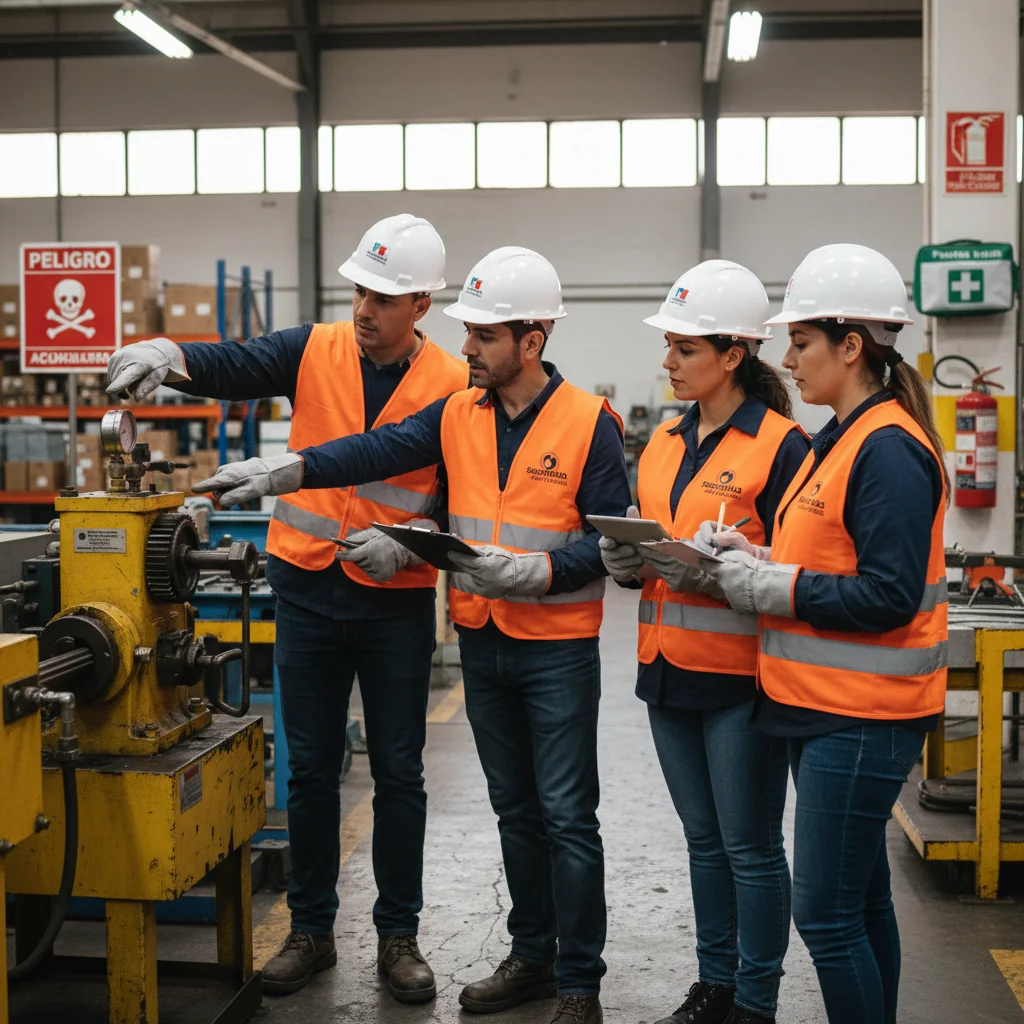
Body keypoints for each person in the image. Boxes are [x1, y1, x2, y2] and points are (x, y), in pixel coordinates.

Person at [194, 246, 633, 1024]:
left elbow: (609, 544)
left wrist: (535, 574)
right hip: (483, 638)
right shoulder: (459, 413)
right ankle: (531, 957)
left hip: (555, 645)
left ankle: (579, 983)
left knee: (565, 814)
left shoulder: (589, 422)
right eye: (467, 333)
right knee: (515, 811)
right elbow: (375, 451)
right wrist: (285, 471)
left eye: (485, 337)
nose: (467, 349)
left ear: (531, 341)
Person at [105, 214, 470, 1002]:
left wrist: (415, 544)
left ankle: (398, 937)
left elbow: (464, 497)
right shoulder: (316, 348)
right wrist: (169, 356)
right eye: (359, 291)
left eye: (383, 297)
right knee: (308, 770)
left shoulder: (451, 381)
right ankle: (310, 931)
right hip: (306, 586)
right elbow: (234, 363)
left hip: (395, 600)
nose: (364, 309)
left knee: (400, 775)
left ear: (421, 307)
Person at [701, 243, 948, 1024]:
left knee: (827, 918)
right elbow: (829, 555)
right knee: (863, 902)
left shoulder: (889, 449)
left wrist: (773, 586)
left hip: (864, 716)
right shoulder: (840, 437)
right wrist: (759, 554)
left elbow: (888, 595)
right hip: (829, 708)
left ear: (852, 346)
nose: (787, 358)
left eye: (801, 342)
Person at [599, 261, 809, 1024]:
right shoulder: (663, 440)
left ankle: (755, 999)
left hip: (742, 680)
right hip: (665, 669)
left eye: (683, 350)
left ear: (732, 356)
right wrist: (625, 560)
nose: (667, 363)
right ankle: (714, 986)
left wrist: (732, 570)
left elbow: (800, 567)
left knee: (750, 847)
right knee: (702, 841)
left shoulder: (782, 446)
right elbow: (653, 542)